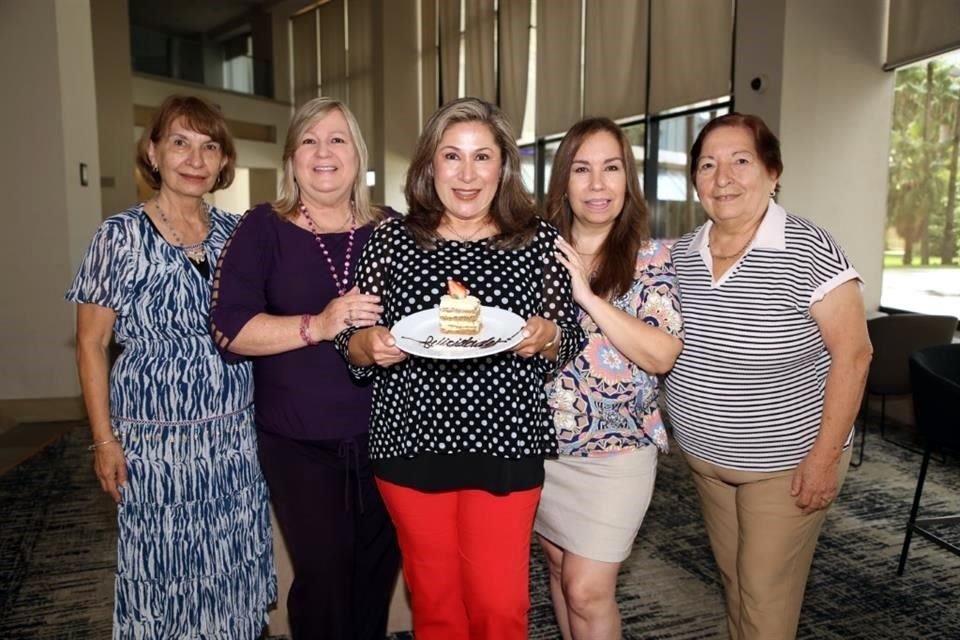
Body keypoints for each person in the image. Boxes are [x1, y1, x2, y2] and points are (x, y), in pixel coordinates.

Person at [335, 97, 585, 640]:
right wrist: (367, 345)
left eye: (482, 157)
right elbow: (348, 341)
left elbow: (569, 337)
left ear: (503, 165)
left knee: (500, 609)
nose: (467, 174)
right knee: (436, 607)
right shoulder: (393, 239)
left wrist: (547, 336)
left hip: (506, 446)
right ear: (430, 165)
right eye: (452, 156)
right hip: (409, 444)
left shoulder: (538, 240)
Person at [66, 94, 276, 639]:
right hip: (157, 446)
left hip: (235, 437)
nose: (195, 158)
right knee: (164, 569)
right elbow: (90, 344)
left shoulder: (240, 233)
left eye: (210, 146)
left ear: (224, 161)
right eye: (179, 142)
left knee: (231, 564)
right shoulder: (119, 237)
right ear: (153, 152)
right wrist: (103, 441)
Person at [663, 113, 873, 640]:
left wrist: (824, 459)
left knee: (764, 593)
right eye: (708, 165)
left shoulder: (808, 248)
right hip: (708, 460)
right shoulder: (683, 253)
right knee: (736, 581)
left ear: (773, 172)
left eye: (741, 161)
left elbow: (854, 355)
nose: (722, 177)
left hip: (788, 462)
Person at [209, 97, 399, 640]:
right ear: (291, 158)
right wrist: (318, 324)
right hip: (299, 444)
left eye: (337, 139)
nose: (323, 152)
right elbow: (228, 331)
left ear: (358, 155)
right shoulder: (261, 228)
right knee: (323, 587)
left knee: (374, 581)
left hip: (387, 439)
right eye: (309, 141)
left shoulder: (392, 229)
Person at [536, 117, 684, 640]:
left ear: (628, 180)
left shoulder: (652, 259)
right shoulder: (535, 257)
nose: (598, 185)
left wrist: (587, 296)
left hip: (617, 453)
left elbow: (661, 354)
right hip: (544, 449)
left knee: (587, 588)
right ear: (563, 183)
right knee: (558, 573)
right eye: (582, 169)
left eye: (611, 168)